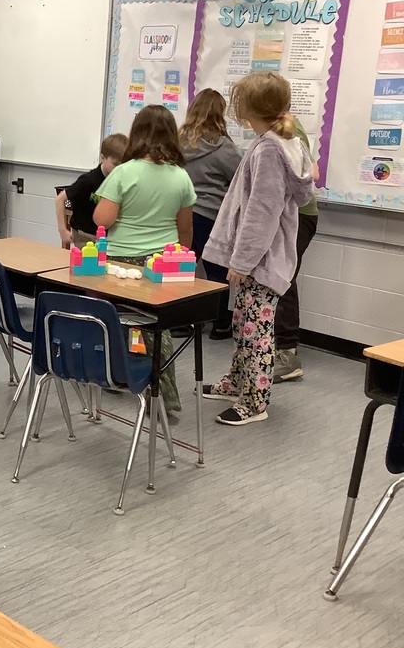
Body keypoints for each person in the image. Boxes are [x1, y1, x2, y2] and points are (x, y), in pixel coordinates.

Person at [201, 73, 314, 426]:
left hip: (260, 259)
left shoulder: (269, 148)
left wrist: (242, 261)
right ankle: (238, 381)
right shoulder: (281, 141)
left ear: (248, 108)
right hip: (261, 257)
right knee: (244, 323)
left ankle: (254, 401)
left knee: (256, 331)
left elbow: (261, 212)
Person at [93, 105, 196, 415]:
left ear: (137, 134)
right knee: (156, 327)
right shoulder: (180, 176)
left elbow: (103, 218)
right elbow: (185, 228)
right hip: (162, 259)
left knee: (121, 319)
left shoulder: (125, 171)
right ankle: (165, 393)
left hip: (121, 260)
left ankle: (121, 375)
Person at [179, 88, 243, 340]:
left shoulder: (178, 140)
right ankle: (220, 324)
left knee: (182, 268)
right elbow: (239, 177)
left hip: (182, 212)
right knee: (216, 269)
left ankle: (180, 322)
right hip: (210, 215)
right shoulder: (223, 146)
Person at [273, 118, 320, 384]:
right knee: (280, 277)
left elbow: (312, 173)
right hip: (289, 213)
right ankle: (279, 350)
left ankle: (288, 355)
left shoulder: (288, 126)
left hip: (299, 214)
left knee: (284, 278)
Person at [55, 134, 128, 248]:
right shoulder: (88, 180)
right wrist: (62, 230)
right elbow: (60, 199)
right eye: (115, 164)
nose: (119, 168)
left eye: (123, 164)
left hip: (106, 236)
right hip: (85, 235)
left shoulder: (120, 179)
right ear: (103, 158)